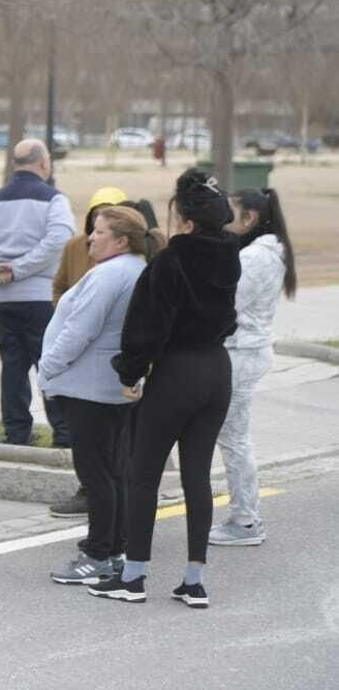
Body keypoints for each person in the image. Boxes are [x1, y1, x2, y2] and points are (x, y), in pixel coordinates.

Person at [89, 169, 239, 608]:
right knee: (198, 474)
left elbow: (144, 329)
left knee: (144, 474)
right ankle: (194, 580)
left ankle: (133, 577)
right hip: (217, 369)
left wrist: (129, 374)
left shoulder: (172, 261)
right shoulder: (231, 257)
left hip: (176, 372)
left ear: (188, 223)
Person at [39, 206, 161, 585]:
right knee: (113, 471)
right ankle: (116, 547)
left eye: (100, 232)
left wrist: (47, 368)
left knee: (96, 475)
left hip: (89, 388)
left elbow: (80, 330)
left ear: (121, 240)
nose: (91, 238)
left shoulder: (110, 274)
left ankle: (98, 555)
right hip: (107, 388)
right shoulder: (134, 269)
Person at [0, 139, 77, 447]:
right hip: (40, 295)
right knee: (51, 363)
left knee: (12, 366)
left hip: (1, 298)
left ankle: (16, 432)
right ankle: (64, 432)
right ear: (44, 163)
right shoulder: (54, 200)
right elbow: (60, 239)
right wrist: (21, 269)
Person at [211, 187, 297, 548]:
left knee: (235, 440)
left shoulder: (255, 258)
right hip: (245, 351)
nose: (223, 219)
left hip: (243, 354)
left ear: (248, 218)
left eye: (230, 213)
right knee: (233, 438)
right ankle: (244, 518)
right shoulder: (263, 251)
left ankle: (246, 521)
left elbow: (226, 303)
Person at [52, 188, 129, 305]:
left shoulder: (132, 250)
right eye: (96, 215)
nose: (101, 220)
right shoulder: (74, 246)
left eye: (110, 216)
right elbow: (59, 287)